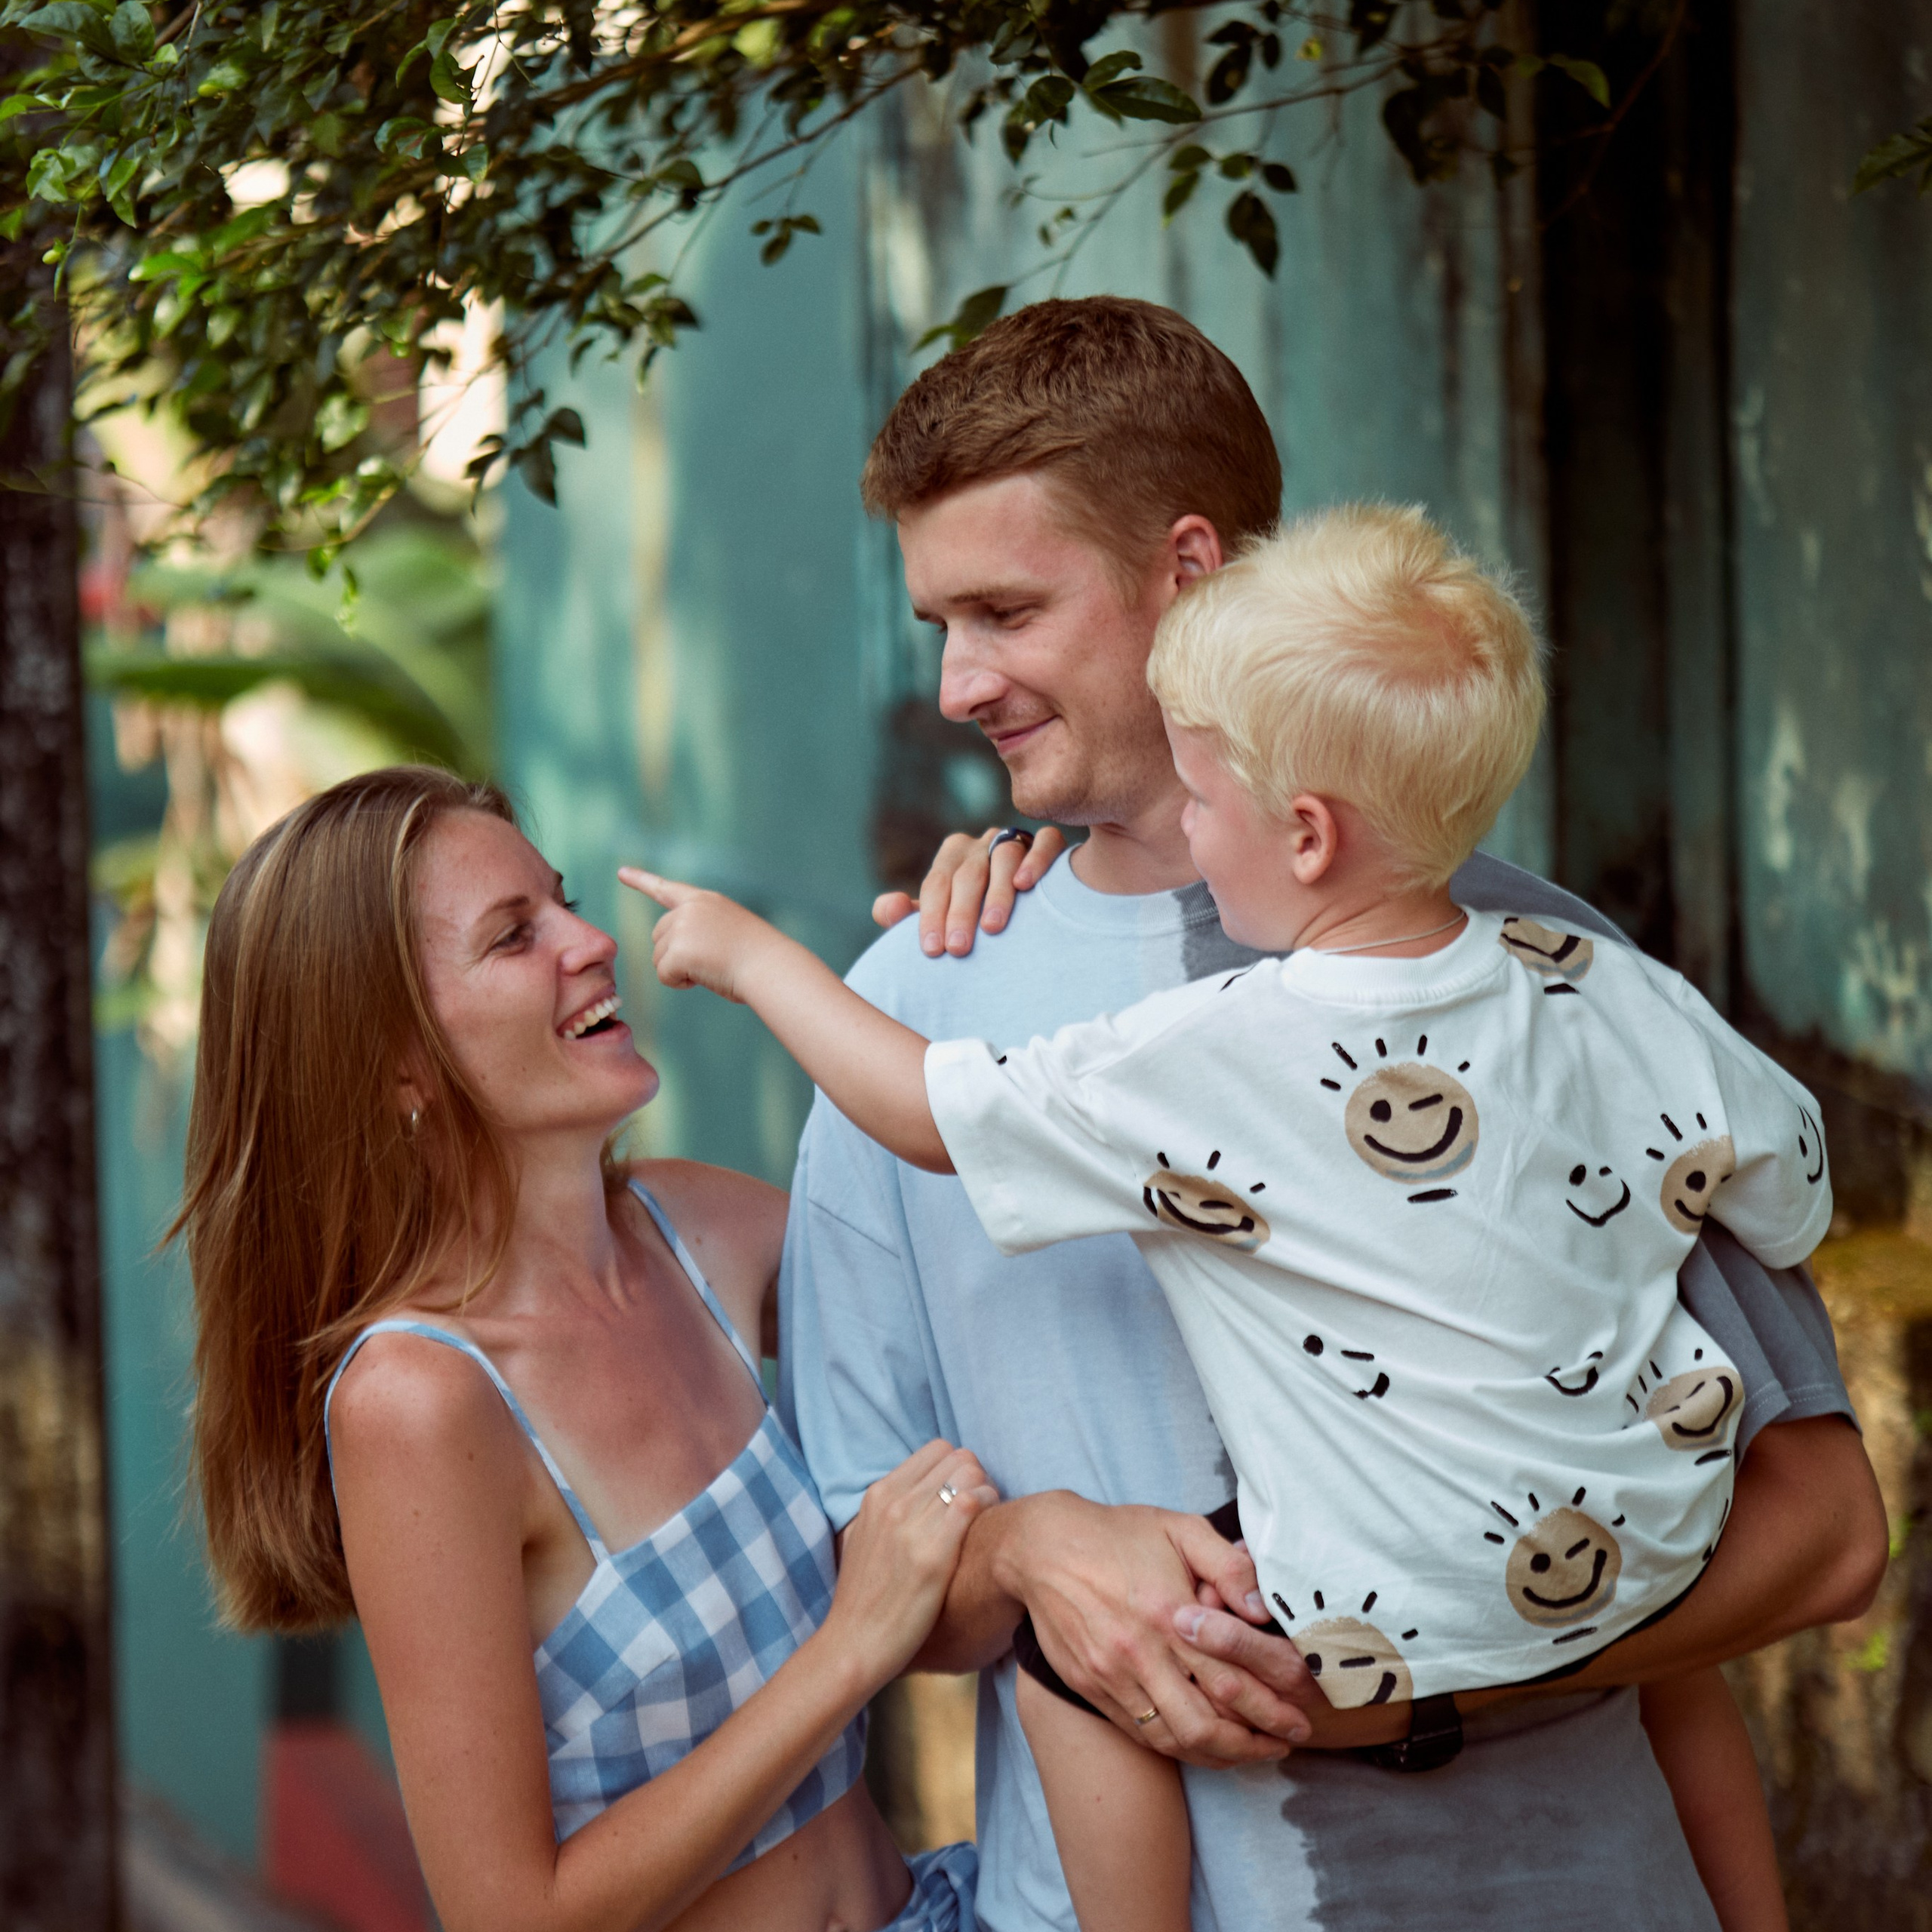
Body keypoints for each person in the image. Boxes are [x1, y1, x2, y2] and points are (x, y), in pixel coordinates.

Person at [768, 298, 1881, 1932]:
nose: (953, 684)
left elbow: (1820, 1529)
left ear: (1188, 572)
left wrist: (1385, 1679)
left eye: (1004, 609)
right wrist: (1029, 1555)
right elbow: (873, 1576)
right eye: (938, 619)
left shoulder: (1542, 977)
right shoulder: (912, 1012)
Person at [173, 765, 993, 1932]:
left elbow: (997, 1277)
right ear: (399, 1064)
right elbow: (514, 1916)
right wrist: (852, 1649)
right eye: (515, 938)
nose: (591, 941)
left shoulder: (696, 1229)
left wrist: (971, 950)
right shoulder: (423, 1397)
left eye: (559, 901)